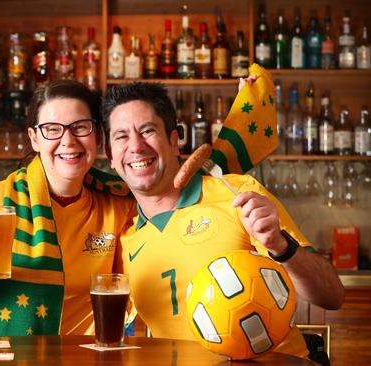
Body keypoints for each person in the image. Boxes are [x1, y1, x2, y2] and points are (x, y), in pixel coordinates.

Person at [102, 81, 345, 358]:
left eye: (148, 130)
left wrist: (280, 245)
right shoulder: (125, 239)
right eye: (121, 136)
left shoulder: (238, 194)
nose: (135, 146)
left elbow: (332, 296)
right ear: (110, 156)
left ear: (173, 141)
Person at [0, 79, 135, 341]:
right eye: (52, 129)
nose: (68, 140)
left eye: (80, 127)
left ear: (98, 136)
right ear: (34, 138)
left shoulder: (118, 207)